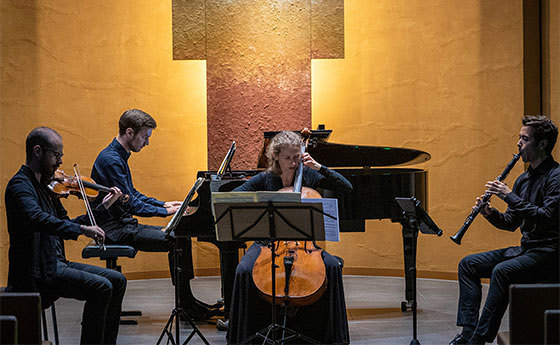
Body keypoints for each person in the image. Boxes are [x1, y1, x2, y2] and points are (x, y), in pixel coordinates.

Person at [90, 109, 220, 320]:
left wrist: (164, 204)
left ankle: (187, 302)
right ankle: (186, 306)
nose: (147, 142)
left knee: (180, 235)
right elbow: (130, 203)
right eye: (145, 137)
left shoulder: (117, 156)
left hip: (124, 224)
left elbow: (131, 194)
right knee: (176, 239)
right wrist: (164, 211)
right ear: (130, 132)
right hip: (114, 229)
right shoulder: (111, 159)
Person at [227, 130, 353, 345]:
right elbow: (233, 197)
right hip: (267, 242)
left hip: (305, 244)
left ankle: (332, 337)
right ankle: (244, 336)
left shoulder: (310, 175)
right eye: (287, 158)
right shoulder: (265, 178)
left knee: (332, 266)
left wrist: (319, 167)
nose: (293, 163)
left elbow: (346, 187)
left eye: (297, 157)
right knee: (244, 270)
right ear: (275, 155)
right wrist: (259, 199)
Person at [5, 127, 127, 345]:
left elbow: (67, 223)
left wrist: (102, 208)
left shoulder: (48, 187)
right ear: (37, 151)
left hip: (56, 264)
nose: (60, 162)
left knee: (117, 280)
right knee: (101, 287)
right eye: (56, 155)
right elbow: (36, 218)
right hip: (37, 272)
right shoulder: (20, 186)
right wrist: (81, 231)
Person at [450, 115, 559, 345]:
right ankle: (468, 333)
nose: (519, 143)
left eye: (525, 139)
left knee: (502, 271)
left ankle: (479, 339)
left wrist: (509, 195)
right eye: (519, 138)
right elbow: (511, 222)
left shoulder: (556, 177)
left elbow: (546, 217)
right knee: (468, 264)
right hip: (527, 250)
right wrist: (489, 213)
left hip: (549, 253)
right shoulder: (523, 179)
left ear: (542, 144)